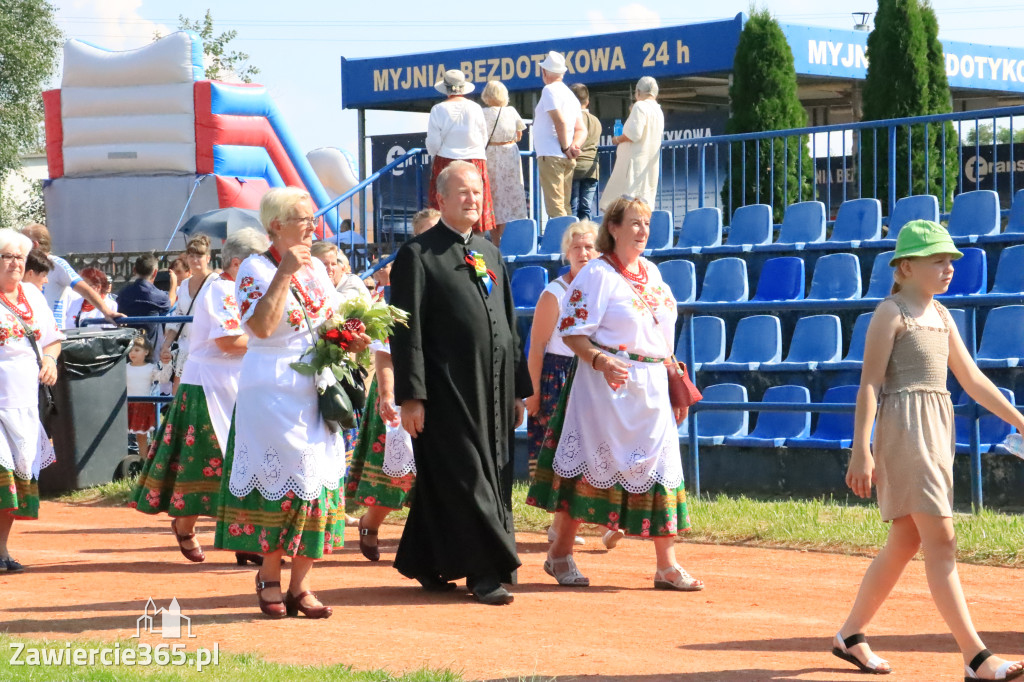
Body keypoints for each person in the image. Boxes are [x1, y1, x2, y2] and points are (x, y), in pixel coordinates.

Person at [833, 220, 1024, 681]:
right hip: (905, 431)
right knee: (942, 539)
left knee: (906, 540)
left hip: (938, 432)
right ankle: (976, 657)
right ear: (905, 267)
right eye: (937, 259)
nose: (948, 267)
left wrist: (1020, 419)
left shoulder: (942, 316)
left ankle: (850, 635)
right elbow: (870, 385)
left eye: (950, 260)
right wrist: (862, 448)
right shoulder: (890, 312)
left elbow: (973, 380)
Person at [527, 196, 703, 592]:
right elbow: (571, 331)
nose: (643, 230)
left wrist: (675, 379)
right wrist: (600, 362)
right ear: (614, 228)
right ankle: (559, 555)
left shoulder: (653, 271)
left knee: (660, 469)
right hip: (605, 385)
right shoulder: (597, 274)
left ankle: (666, 566)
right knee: (589, 465)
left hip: (653, 384)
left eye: (647, 223)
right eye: (635, 223)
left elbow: (661, 335)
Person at [214, 187, 370, 620]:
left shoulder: (319, 267)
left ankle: (301, 585)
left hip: (315, 387)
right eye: (302, 219)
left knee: (316, 482)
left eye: (311, 217)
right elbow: (261, 328)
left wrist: (350, 338)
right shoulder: (253, 268)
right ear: (276, 225)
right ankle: (268, 576)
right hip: (271, 387)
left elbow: (329, 321)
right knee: (282, 483)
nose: (311, 225)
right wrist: (284, 272)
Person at [389, 161, 531, 605]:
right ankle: (484, 572)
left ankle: (426, 559)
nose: (473, 199)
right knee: (468, 476)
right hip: (447, 389)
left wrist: (517, 390)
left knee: (455, 479)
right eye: (463, 192)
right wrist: (411, 397)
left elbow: (508, 322)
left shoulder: (489, 251)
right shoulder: (417, 254)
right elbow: (405, 331)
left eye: (477, 191)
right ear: (442, 199)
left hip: (492, 387)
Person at [132, 228, 268, 567]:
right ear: (238, 263)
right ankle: (186, 522)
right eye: (260, 261)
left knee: (241, 460)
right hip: (207, 385)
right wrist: (274, 343)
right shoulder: (221, 291)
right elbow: (228, 342)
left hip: (236, 383)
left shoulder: (240, 288)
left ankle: (243, 538)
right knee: (208, 459)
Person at [347, 207, 439, 562]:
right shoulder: (396, 291)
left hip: (440, 390)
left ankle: (428, 545)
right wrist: (388, 395)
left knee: (437, 476)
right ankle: (370, 523)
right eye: (428, 234)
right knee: (396, 478)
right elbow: (384, 355)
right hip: (402, 391)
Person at [525, 220, 598, 548]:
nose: (584, 252)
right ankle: (560, 525)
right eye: (577, 246)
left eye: (590, 246)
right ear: (567, 252)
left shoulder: (605, 286)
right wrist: (534, 393)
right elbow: (537, 346)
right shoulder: (554, 293)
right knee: (567, 451)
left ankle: (599, 518)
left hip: (594, 372)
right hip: (559, 375)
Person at [0, 229, 63, 573]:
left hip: (24, 403)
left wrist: (50, 361)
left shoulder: (31, 295)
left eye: (19, 257)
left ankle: (2, 549)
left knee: (16, 481)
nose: (14, 263)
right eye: (7, 257)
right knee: (1, 474)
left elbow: (52, 340)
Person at [426, 69, 496, 234]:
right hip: (475, 160)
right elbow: (483, 137)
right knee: (475, 204)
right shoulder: (475, 108)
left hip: (446, 160)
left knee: (446, 206)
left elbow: (433, 143)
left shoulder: (438, 109)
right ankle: (476, 245)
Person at [20, 223, 119, 328]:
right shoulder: (21, 264)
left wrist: (107, 312)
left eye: (22, 242)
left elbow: (86, 289)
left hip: (52, 332)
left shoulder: (57, 264)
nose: (19, 245)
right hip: (28, 329)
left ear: (34, 244)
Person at [534, 51, 587, 219]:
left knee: (555, 208)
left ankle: (561, 244)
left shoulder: (549, 90)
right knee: (565, 206)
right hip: (565, 157)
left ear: (544, 72)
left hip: (551, 154)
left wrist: (566, 147)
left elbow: (560, 122)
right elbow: (581, 129)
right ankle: (570, 240)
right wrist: (574, 146)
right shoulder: (571, 96)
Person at [599, 77, 665, 211]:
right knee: (642, 205)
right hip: (648, 164)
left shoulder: (640, 106)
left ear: (638, 91)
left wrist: (616, 139)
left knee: (624, 205)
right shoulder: (658, 110)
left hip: (634, 164)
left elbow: (633, 134)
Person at [161, 235, 215, 394]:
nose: (195, 259)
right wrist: (166, 345)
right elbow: (177, 318)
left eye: (199, 256)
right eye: (191, 255)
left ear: (208, 258)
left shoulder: (217, 282)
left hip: (209, 349)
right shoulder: (183, 285)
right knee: (179, 397)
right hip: (186, 348)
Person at [481, 80, 528, 247]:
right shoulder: (511, 111)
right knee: (512, 198)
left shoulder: (482, 113)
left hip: (491, 156)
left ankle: (495, 241)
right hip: (510, 156)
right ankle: (511, 240)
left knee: (494, 200)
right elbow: (520, 134)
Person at [118, 254, 173, 354]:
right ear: (155, 272)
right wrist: (174, 284)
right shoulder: (158, 296)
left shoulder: (123, 293)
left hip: (128, 352)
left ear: (134, 270)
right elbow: (170, 304)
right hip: (151, 353)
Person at [126, 336, 170, 459]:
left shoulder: (151, 368)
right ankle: (126, 458)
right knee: (124, 433)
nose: (132, 353)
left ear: (146, 352)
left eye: (136, 350)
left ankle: (143, 460)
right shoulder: (125, 368)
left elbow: (163, 379)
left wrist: (166, 365)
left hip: (143, 406)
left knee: (142, 435)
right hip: (127, 405)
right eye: (131, 350)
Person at [569, 84, 602, 221]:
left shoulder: (571, 119)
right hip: (591, 169)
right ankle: (587, 238)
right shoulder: (596, 121)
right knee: (586, 208)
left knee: (572, 207)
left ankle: (572, 239)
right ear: (587, 101)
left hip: (575, 167)